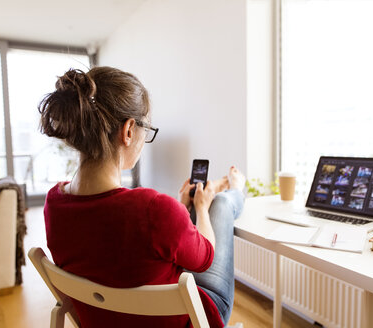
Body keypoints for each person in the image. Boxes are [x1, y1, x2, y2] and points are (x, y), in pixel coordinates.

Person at [39, 66, 245, 328]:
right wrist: (201, 209)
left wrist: (179, 210)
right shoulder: (154, 209)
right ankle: (235, 190)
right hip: (186, 322)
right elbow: (204, 259)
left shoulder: (53, 204)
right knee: (223, 205)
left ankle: (227, 191)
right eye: (146, 129)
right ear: (128, 131)